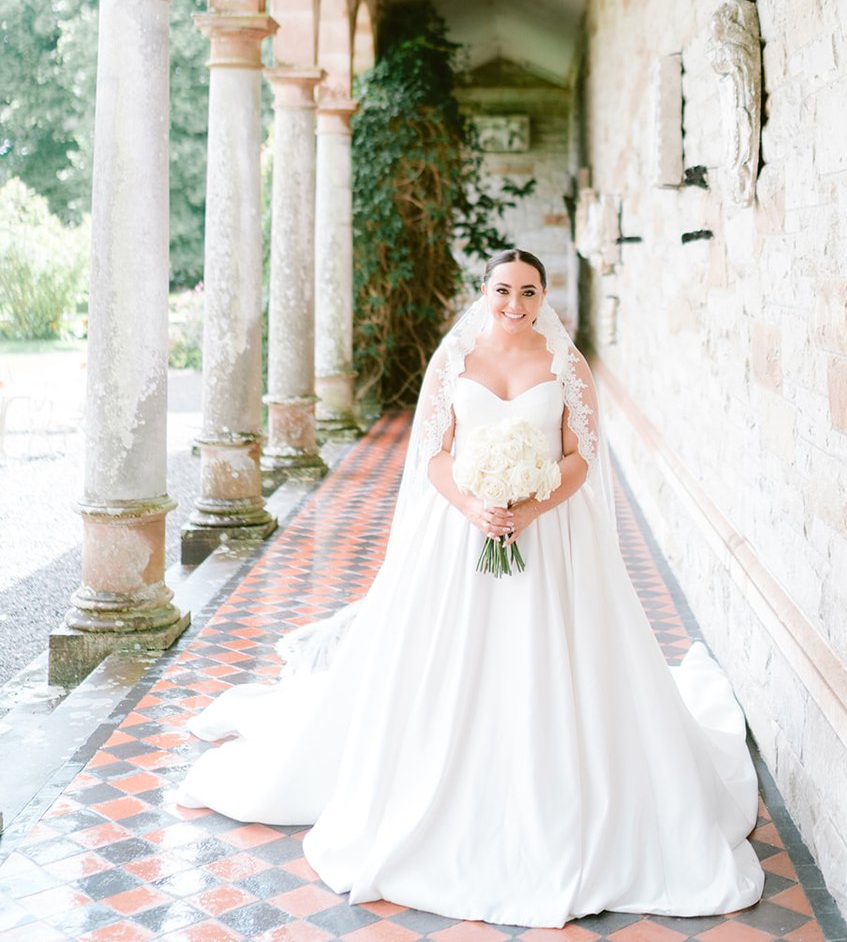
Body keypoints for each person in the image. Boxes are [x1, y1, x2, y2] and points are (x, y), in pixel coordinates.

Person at [175, 249, 765, 926]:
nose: (515, 303)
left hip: (552, 539)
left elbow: (582, 454)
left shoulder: (565, 366)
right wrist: (474, 507)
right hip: (465, 533)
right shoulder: (454, 362)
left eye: (529, 291)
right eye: (504, 290)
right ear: (483, 292)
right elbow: (432, 453)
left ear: (545, 296)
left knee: (557, 667)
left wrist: (534, 503)